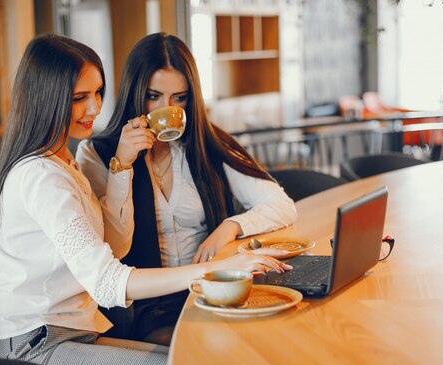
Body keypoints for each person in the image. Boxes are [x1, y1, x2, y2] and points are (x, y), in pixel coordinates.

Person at [0, 33, 290, 365]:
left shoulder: (63, 164)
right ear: (46, 97)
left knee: (212, 364)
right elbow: (109, 281)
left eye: (98, 93)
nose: (93, 108)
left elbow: (116, 245)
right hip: (34, 347)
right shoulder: (42, 177)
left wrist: (123, 167)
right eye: (79, 98)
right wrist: (216, 269)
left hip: (73, 334)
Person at [76, 32, 297, 344]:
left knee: (276, 337)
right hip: (149, 308)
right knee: (207, 352)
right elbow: (113, 245)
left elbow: (282, 204)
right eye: (153, 96)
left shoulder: (207, 143)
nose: (166, 109)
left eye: (178, 98)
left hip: (215, 290)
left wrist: (230, 226)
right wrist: (123, 166)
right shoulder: (98, 153)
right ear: (134, 92)